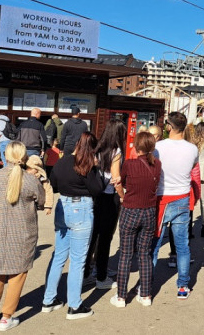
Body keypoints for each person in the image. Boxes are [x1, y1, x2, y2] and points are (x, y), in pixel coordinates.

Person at [0, 141, 45, 332]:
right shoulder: (32, 180)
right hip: (23, 233)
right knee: (18, 275)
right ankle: (7, 318)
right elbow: (41, 202)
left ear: (5, 156)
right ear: (24, 157)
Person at [42, 132, 104, 319]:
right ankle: (74, 305)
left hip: (63, 205)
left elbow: (53, 182)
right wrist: (97, 170)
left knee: (59, 255)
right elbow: (97, 189)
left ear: (77, 144)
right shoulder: (87, 165)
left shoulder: (62, 162)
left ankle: (49, 299)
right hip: (81, 208)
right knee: (78, 259)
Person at [110, 131, 161, 308]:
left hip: (130, 210)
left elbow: (120, 183)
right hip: (149, 212)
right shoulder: (157, 165)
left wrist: (123, 194)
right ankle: (146, 295)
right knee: (144, 254)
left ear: (137, 147)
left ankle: (121, 297)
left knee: (125, 254)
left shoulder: (129, 164)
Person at [152, 112, 197, 299]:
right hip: (182, 198)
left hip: (161, 197)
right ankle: (183, 286)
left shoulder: (157, 147)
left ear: (169, 126)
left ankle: (146, 284)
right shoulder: (193, 149)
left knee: (153, 245)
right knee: (182, 246)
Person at [86, 119, 126, 290]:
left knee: (92, 236)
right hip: (110, 197)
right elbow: (116, 177)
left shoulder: (97, 149)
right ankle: (101, 274)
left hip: (95, 196)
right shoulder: (116, 151)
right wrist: (123, 196)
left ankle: (86, 271)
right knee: (105, 237)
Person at [190, 122, 204, 237]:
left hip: (193, 173)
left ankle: (189, 228)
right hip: (203, 174)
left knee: (192, 201)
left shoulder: (192, 142)